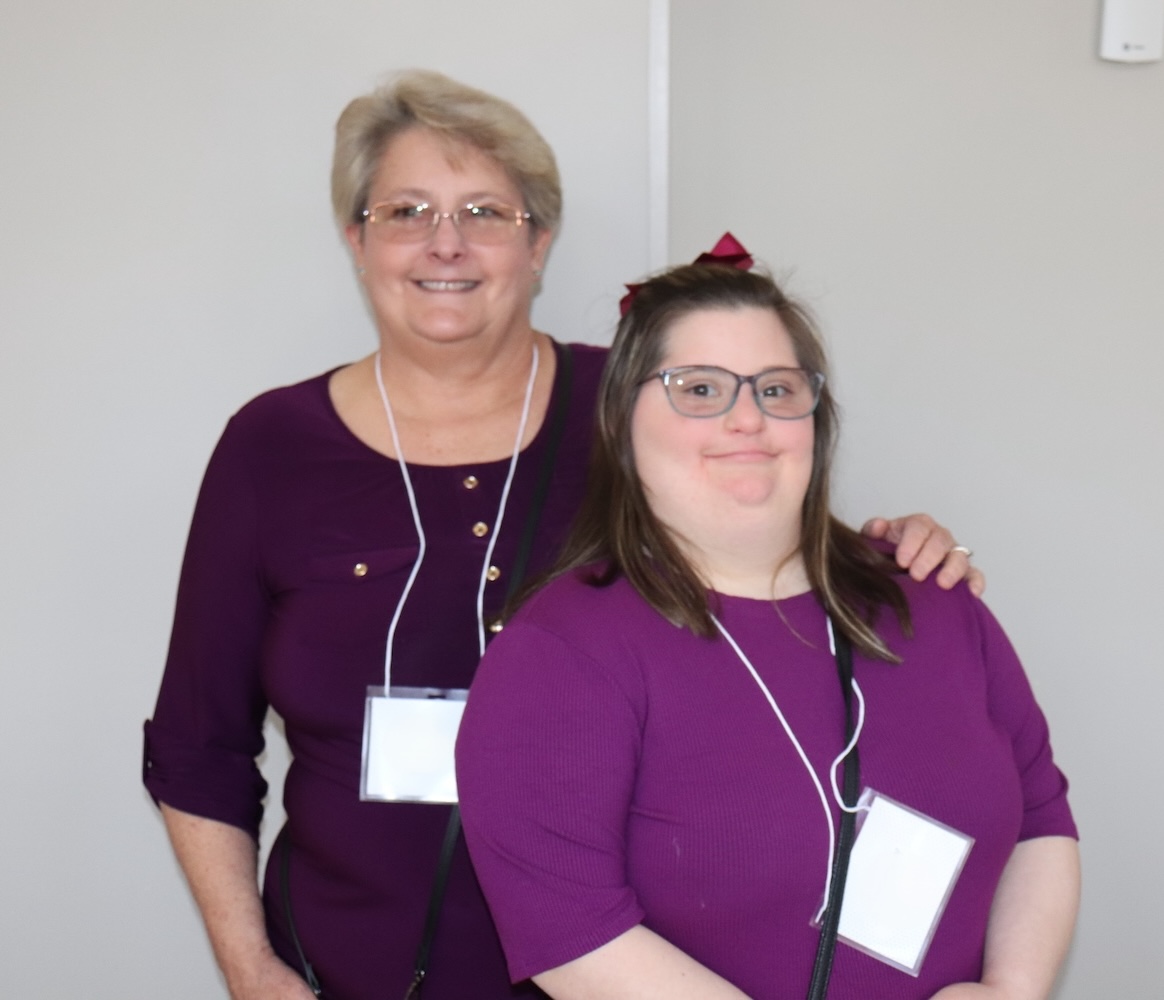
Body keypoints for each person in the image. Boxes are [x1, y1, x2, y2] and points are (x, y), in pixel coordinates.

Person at [142, 70, 981, 1000]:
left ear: (539, 243)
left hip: (634, 963)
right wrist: (251, 968)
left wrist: (894, 547)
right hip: (349, 963)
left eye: (488, 212)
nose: (446, 243)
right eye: (406, 210)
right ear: (357, 236)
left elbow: (776, 550)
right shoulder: (272, 447)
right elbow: (198, 745)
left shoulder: (636, 410)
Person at [456, 255, 1079, 1000]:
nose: (746, 418)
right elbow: (572, 935)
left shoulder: (931, 596)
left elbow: (1041, 820)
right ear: (622, 419)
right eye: (700, 390)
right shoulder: (560, 650)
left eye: (777, 389)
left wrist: (1012, 990)